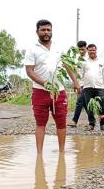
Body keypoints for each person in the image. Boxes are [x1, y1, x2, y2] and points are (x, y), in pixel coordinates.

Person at [24, 19, 80, 153]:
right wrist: (45, 84)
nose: (46, 32)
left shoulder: (59, 48)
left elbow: (68, 66)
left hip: (59, 92)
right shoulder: (32, 49)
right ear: (37, 31)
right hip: (39, 92)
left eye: (48, 30)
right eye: (43, 30)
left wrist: (76, 82)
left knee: (61, 122)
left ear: (52, 31)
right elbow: (29, 71)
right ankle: (39, 155)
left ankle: (61, 152)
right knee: (40, 123)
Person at [81, 44, 104, 131]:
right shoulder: (84, 61)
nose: (92, 52)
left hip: (100, 87)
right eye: (90, 50)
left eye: (93, 50)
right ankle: (91, 124)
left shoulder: (101, 61)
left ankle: (102, 124)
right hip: (87, 87)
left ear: (96, 50)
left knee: (101, 105)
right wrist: (81, 86)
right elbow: (80, 74)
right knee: (89, 106)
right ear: (87, 51)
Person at [68, 41, 88, 127]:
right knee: (85, 103)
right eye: (79, 50)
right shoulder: (76, 60)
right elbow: (74, 72)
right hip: (79, 83)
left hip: (87, 84)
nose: (81, 51)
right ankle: (92, 120)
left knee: (79, 102)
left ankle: (74, 121)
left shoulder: (89, 59)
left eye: (83, 49)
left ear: (86, 48)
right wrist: (74, 84)